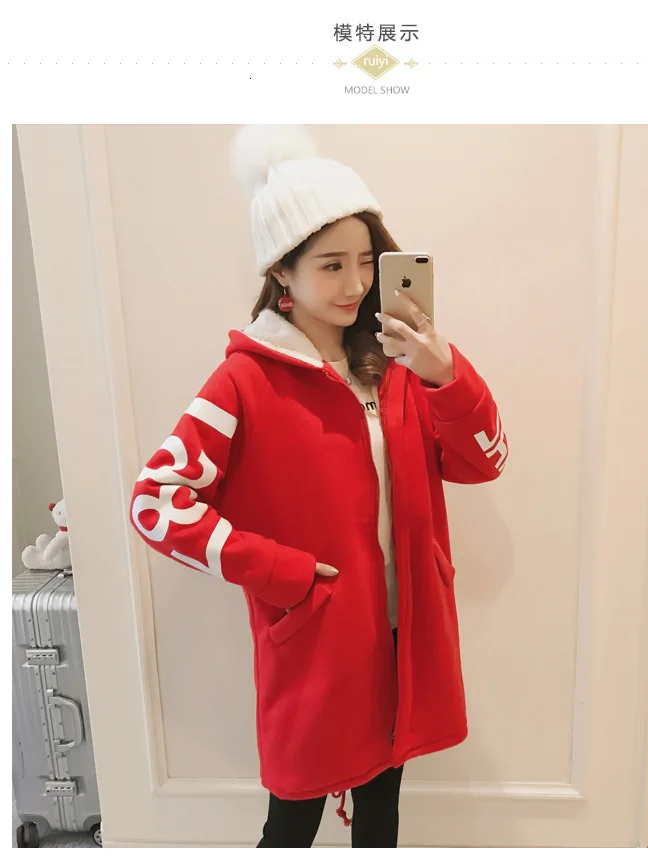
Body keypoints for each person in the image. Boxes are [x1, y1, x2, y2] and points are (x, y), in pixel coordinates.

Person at [129, 124, 509, 847]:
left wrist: (443, 375)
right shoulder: (245, 379)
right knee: (292, 821)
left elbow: (482, 461)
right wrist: (283, 574)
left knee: (381, 813)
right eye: (331, 265)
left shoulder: (398, 363)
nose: (357, 285)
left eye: (367, 261)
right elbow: (156, 503)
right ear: (282, 271)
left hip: (402, 631)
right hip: (316, 639)